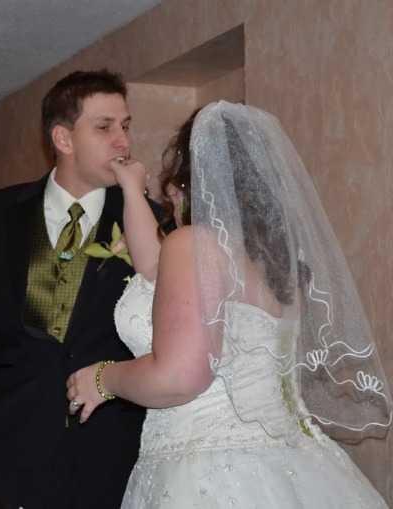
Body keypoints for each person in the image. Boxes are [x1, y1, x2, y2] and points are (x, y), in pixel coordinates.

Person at [66, 101, 393, 507]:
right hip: (294, 466)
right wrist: (133, 190)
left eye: (174, 190)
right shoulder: (278, 266)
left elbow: (180, 376)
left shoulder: (194, 245)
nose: (171, 201)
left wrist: (104, 378)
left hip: (209, 473)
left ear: (190, 181)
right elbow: (151, 265)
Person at [0, 69, 166, 509]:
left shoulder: (153, 220)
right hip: (6, 447)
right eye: (105, 127)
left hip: (111, 454)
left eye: (126, 126)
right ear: (63, 138)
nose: (123, 142)